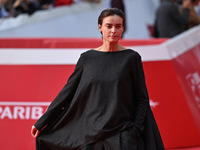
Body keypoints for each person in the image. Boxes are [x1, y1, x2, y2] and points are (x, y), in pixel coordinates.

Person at [31, 8, 165, 150]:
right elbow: (67, 93)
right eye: (109, 26)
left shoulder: (131, 58)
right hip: (90, 136)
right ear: (100, 27)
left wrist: (135, 130)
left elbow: (142, 98)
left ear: (122, 29)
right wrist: (42, 122)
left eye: (118, 26)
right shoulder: (87, 58)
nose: (113, 30)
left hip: (121, 135)